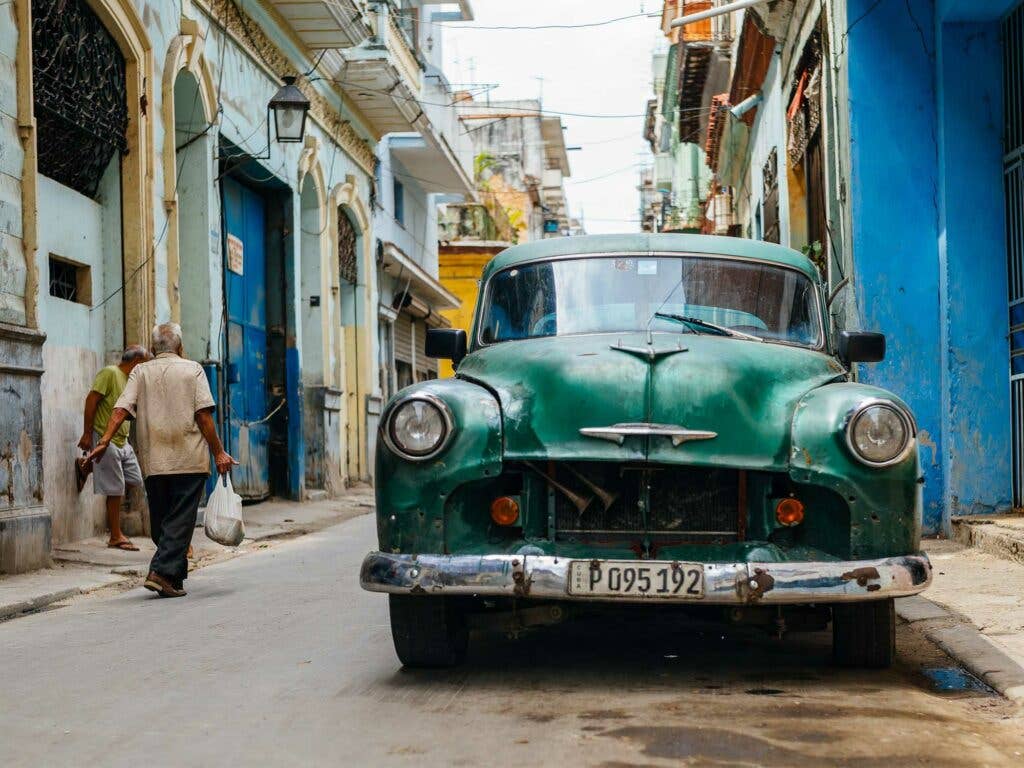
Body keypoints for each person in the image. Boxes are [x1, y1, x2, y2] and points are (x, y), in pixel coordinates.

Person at [88, 323, 236, 598]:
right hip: (189, 458)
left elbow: (121, 409)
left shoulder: (141, 371)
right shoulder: (193, 370)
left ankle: (174, 577)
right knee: (179, 521)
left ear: (153, 348)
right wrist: (218, 452)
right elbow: (204, 417)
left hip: (153, 460)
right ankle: (159, 571)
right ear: (180, 346)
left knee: (162, 522)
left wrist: (103, 440)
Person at [78, 345, 151, 551]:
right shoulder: (110, 373)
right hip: (104, 438)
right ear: (137, 362)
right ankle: (115, 537)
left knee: (135, 479)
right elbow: (91, 401)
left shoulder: (130, 381)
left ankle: (85, 467)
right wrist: (86, 433)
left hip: (122, 440)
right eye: (144, 364)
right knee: (116, 488)